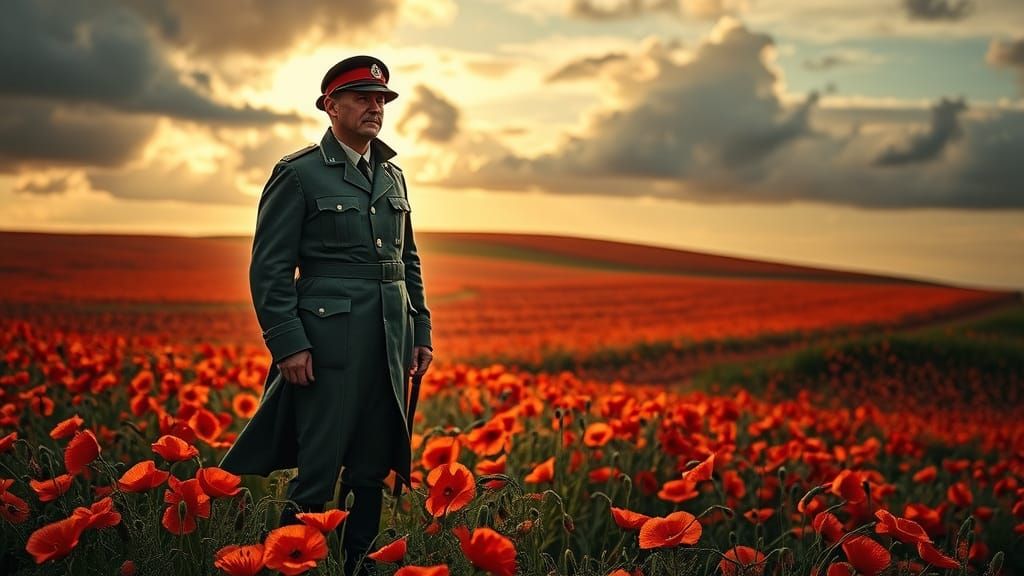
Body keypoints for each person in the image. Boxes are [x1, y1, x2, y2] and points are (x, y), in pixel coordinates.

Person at [219, 55, 433, 575]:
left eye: (381, 99)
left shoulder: (393, 175)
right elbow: (268, 268)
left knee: (371, 468)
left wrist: (420, 331)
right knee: (318, 469)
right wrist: (288, 342)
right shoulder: (298, 174)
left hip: (389, 340)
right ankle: (291, 565)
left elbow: (407, 260)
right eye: (362, 97)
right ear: (330, 106)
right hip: (329, 345)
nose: (375, 107)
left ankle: (357, 565)